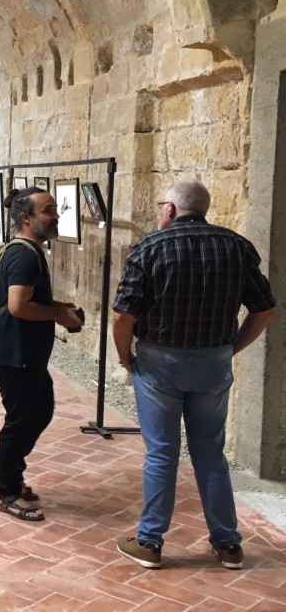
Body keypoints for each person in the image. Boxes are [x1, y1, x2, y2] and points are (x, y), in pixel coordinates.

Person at [112, 181, 277, 570]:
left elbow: (122, 314)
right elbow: (265, 309)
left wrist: (125, 356)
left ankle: (150, 542)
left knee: (162, 453)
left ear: (169, 209)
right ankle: (228, 544)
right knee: (210, 453)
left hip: (159, 364)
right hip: (213, 364)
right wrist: (231, 347)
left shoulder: (149, 247)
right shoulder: (236, 246)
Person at [0, 187, 83, 522]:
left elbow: (28, 301)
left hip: (25, 355)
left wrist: (60, 308)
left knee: (40, 412)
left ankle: (8, 471)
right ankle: (6, 490)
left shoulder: (30, 250)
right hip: (15, 355)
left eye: (55, 209)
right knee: (20, 422)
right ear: (26, 218)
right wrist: (58, 315)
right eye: (48, 210)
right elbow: (18, 306)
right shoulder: (25, 254)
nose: (55, 216)